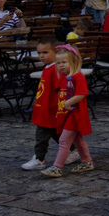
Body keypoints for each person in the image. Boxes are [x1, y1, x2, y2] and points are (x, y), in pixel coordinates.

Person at [40, 44, 94, 177]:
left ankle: (57, 167)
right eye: (58, 63)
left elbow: (82, 93)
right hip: (68, 114)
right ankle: (87, 161)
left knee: (64, 140)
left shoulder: (78, 77)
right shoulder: (65, 77)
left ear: (73, 61)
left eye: (64, 62)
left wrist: (68, 102)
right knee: (77, 140)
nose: (61, 65)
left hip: (75, 115)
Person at [21, 38, 67, 171]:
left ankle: (39, 158)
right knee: (55, 132)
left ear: (55, 51)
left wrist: (60, 108)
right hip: (45, 107)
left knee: (42, 135)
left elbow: (60, 90)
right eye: (39, 53)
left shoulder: (56, 69)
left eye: (45, 52)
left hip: (50, 108)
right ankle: (72, 149)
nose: (41, 56)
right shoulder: (48, 68)